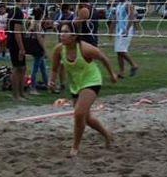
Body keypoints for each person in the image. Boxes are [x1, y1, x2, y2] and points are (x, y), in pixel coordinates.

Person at [50, 22, 118, 157]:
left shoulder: (85, 49)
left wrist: (112, 74)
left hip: (92, 81)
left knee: (79, 113)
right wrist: (51, 81)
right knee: (86, 118)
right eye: (61, 31)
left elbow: (103, 57)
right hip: (76, 85)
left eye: (65, 32)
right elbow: (54, 68)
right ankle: (107, 135)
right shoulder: (59, 49)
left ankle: (74, 148)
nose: (61, 35)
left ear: (74, 36)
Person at [109, 0, 139, 78]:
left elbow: (131, 17)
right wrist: (110, 31)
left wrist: (127, 29)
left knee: (121, 50)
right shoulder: (118, 6)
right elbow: (115, 19)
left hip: (126, 30)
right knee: (118, 52)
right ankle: (121, 72)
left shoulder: (128, 5)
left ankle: (134, 65)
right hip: (119, 31)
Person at [6, 0, 30, 101]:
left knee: (23, 68)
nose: (28, 1)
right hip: (16, 43)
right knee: (17, 68)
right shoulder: (17, 12)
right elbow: (16, 31)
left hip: (14, 42)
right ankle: (16, 95)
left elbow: (9, 27)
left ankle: (21, 93)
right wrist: (21, 48)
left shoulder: (12, 11)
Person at [28, 8, 50, 92]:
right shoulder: (37, 24)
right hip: (38, 48)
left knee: (43, 68)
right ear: (41, 15)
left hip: (35, 48)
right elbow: (39, 37)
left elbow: (30, 31)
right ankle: (33, 88)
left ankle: (47, 84)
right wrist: (44, 49)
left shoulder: (33, 22)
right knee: (35, 68)